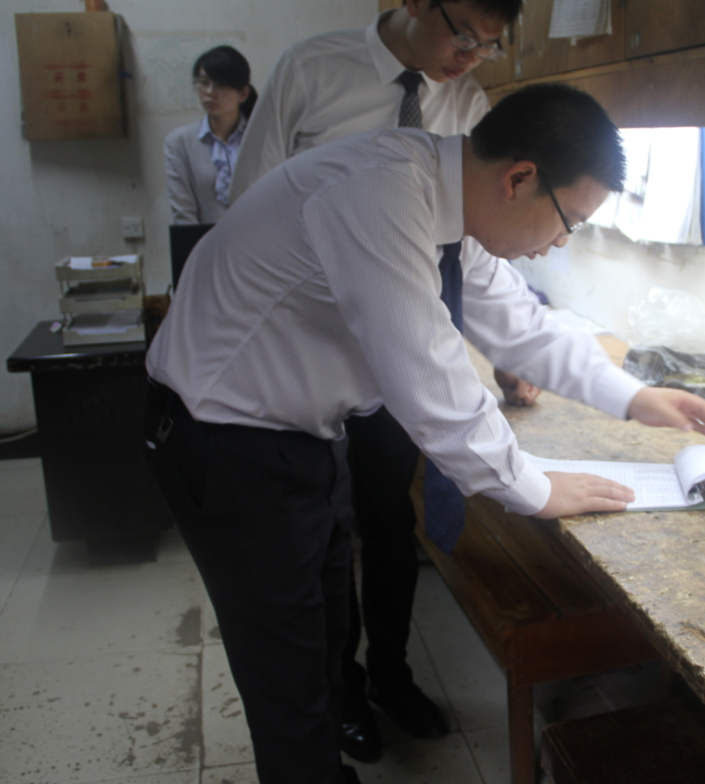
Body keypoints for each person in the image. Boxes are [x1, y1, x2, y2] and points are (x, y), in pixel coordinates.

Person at [144, 83, 705, 784]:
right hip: (227, 441)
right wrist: (534, 488)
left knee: (323, 645)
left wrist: (634, 396)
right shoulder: (380, 195)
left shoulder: (447, 203)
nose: (560, 242)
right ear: (520, 178)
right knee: (287, 683)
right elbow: (427, 371)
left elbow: (523, 327)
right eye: (568, 220)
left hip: (301, 432)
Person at [228, 0, 537, 761]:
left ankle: (392, 674)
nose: (469, 58)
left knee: (389, 522)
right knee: (327, 531)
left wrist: (506, 345)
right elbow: (250, 201)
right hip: (311, 355)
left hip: (401, 350)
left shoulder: (466, 102)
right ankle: (341, 691)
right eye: (462, 35)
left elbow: (478, 237)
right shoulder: (310, 69)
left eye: (488, 46)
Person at [164, 45, 257, 224]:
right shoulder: (180, 141)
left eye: (220, 85)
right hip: (207, 239)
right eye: (204, 83)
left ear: (243, 93)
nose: (209, 92)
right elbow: (183, 212)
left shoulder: (261, 136)